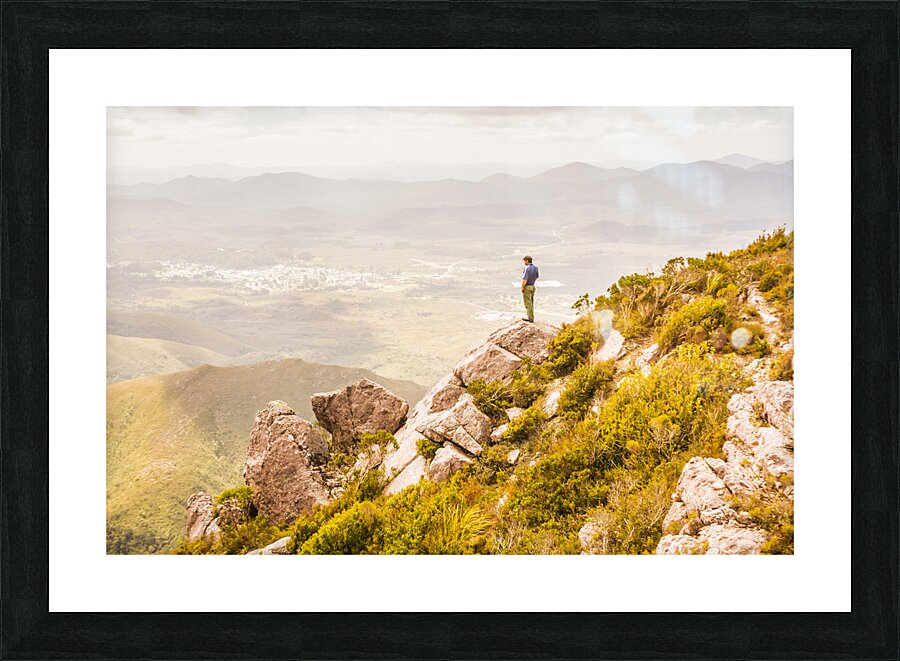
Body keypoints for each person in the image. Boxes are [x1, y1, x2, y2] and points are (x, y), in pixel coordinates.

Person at [520, 255, 539, 322]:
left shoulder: (527, 268)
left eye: (524, 261)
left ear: (527, 260)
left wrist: (522, 287)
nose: (524, 262)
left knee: (528, 303)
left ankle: (530, 318)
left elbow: (525, 279)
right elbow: (537, 276)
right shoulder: (536, 268)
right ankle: (531, 316)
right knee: (531, 302)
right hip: (532, 286)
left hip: (527, 287)